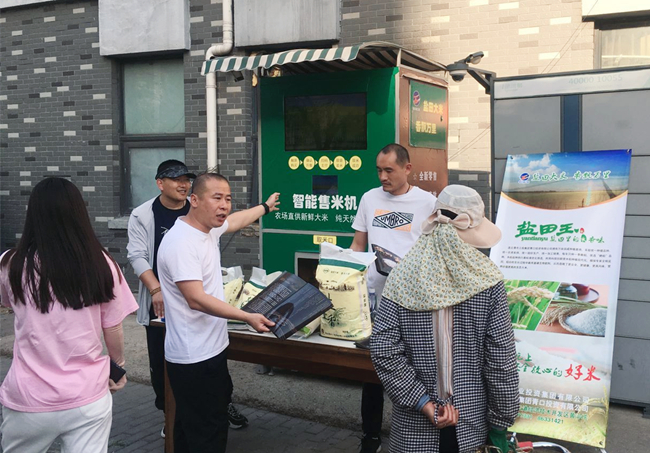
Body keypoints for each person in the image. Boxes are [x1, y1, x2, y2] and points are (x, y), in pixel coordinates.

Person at [370, 185, 519, 453]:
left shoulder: (401, 275)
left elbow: (383, 348)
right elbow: (501, 360)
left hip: (413, 428)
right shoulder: (488, 281)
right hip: (472, 422)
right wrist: (500, 421)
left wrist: (422, 402)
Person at [0, 177, 138, 453]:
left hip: (29, 396)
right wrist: (117, 365)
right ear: (79, 213)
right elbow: (113, 327)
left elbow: (8, 303)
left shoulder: (11, 263)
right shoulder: (102, 263)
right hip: (88, 394)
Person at [157, 172, 279, 453]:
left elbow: (235, 221)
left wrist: (264, 207)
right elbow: (196, 299)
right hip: (194, 357)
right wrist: (246, 316)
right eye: (217, 198)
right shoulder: (181, 242)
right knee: (207, 434)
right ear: (195, 200)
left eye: (228, 198)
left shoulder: (207, 229)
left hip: (211, 350)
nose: (224, 205)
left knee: (191, 429)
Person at [127, 160, 248, 435]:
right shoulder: (146, 216)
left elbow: (232, 222)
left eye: (186, 180)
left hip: (202, 328)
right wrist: (156, 289)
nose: (182, 185)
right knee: (164, 365)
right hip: (165, 304)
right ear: (160, 183)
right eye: (176, 180)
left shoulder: (198, 215)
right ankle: (169, 414)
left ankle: (201, 412)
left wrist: (263, 207)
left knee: (205, 395)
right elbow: (137, 256)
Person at [350, 143, 437, 453]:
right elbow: (358, 244)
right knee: (373, 370)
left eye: (389, 170)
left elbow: (435, 251)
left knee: (413, 368)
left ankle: (416, 434)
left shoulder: (428, 203)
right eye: (379, 170)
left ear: (407, 168)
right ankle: (371, 435)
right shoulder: (369, 199)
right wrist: (346, 273)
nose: (383, 177)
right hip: (375, 300)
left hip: (414, 303)